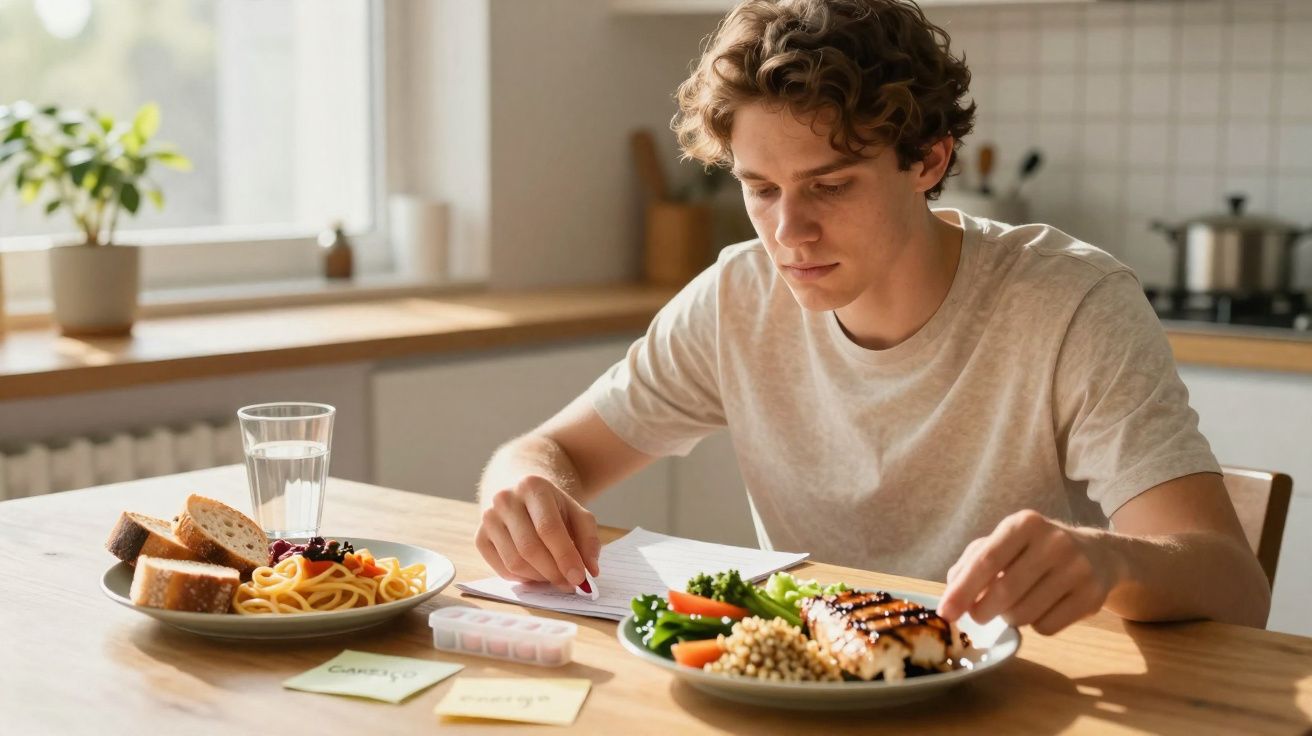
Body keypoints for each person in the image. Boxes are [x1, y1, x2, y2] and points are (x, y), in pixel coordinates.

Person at [475, 0, 1271, 633]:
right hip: (809, 693)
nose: (789, 233)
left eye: (830, 185)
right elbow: (542, 451)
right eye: (760, 189)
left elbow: (1234, 585)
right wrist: (525, 491)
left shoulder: (1070, 304)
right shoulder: (737, 298)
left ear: (929, 159)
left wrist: (1110, 562)